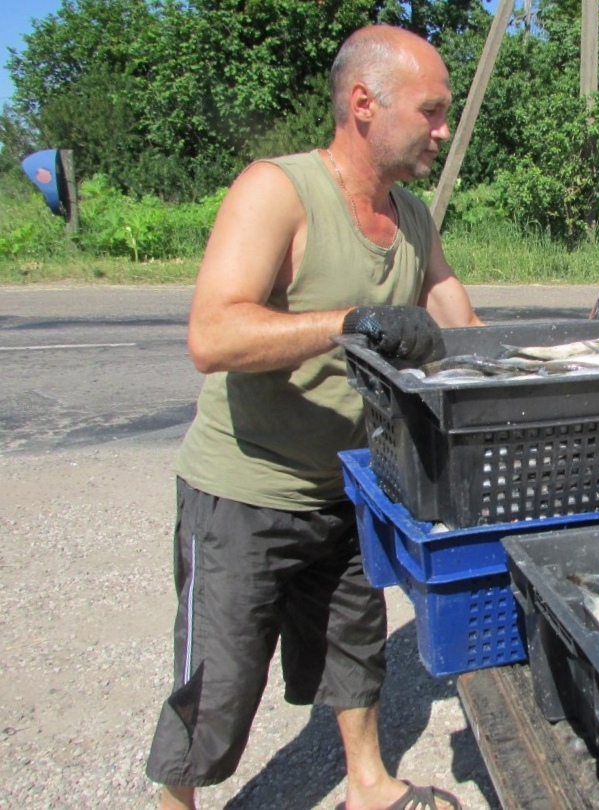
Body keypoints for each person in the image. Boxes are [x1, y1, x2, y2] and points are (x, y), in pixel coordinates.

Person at [145, 24, 482, 810]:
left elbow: (459, 324)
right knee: (220, 678)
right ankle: (176, 803)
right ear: (365, 104)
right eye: (431, 112)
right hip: (244, 490)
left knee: (354, 646)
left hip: (349, 483)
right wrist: (350, 321)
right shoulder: (278, 190)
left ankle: (366, 784)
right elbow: (211, 334)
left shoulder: (412, 217)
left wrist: (529, 373)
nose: (441, 130)